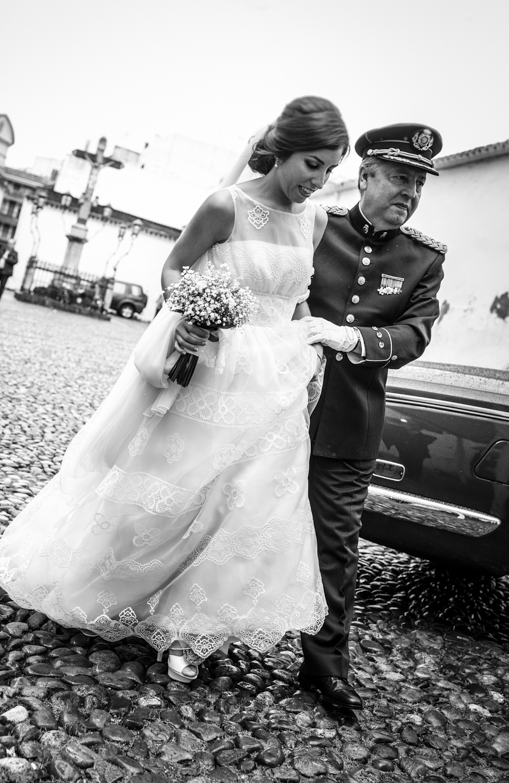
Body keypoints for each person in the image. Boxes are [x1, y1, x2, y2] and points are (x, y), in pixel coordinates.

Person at [0, 95, 349, 683]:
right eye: (314, 164)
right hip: (214, 365)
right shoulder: (225, 206)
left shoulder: (317, 220)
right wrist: (196, 306)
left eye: (331, 170)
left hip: (276, 379)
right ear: (284, 149)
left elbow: (296, 295)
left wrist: (307, 356)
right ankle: (108, 583)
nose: (321, 180)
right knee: (177, 492)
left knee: (248, 505)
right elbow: (174, 267)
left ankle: (191, 627)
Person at [178, 123, 446, 707]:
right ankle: (195, 632)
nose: (409, 193)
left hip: (349, 422)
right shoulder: (313, 226)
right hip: (270, 408)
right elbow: (247, 269)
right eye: (399, 179)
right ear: (365, 177)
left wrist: (352, 339)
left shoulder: (423, 259)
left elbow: (413, 333)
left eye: (418, 184)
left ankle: (326, 666)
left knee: (336, 546)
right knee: (227, 519)